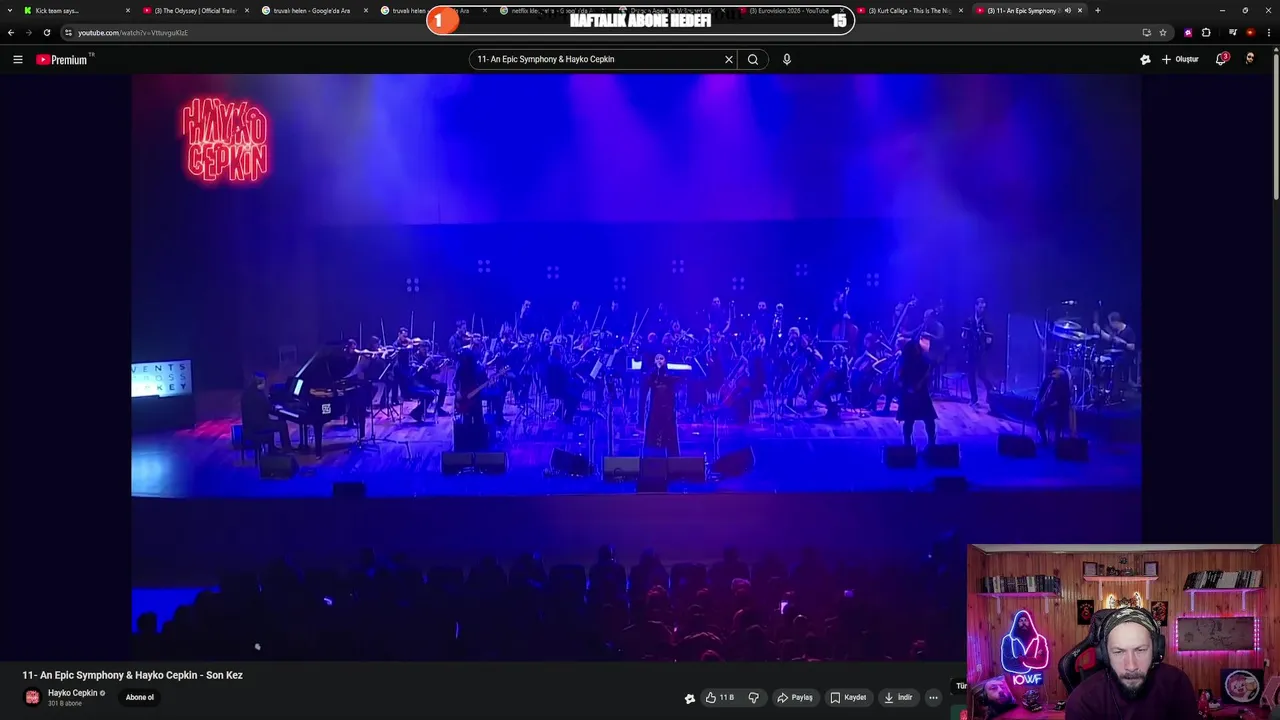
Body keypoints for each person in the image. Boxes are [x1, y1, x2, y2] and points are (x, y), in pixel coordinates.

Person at [1065, 607, 1198, 720]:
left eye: (1141, 650)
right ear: (1104, 655)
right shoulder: (1082, 702)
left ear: (1156, 650)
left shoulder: (1177, 684)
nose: (1131, 666)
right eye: (1118, 652)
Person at [895, 337, 937, 446]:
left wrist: (921, 383)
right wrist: (907, 387)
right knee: (909, 420)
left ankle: (931, 443)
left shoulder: (922, 360)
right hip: (909, 394)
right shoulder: (904, 360)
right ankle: (907, 444)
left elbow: (928, 372)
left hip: (921, 393)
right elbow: (898, 378)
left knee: (928, 419)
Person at [639, 352, 681, 456]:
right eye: (657, 358)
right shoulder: (651, 375)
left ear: (665, 361)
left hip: (668, 411)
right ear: (654, 361)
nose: (659, 360)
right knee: (652, 437)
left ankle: (672, 460)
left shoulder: (670, 375)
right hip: (654, 410)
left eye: (661, 358)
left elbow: (675, 382)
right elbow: (648, 381)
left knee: (669, 437)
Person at [241, 372, 293, 452]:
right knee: (282, 424)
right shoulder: (259, 395)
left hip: (248, 426)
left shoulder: (246, 393)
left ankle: (272, 449)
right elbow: (268, 408)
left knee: (270, 421)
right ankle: (287, 449)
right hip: (258, 426)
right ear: (261, 383)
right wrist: (276, 407)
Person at [960, 297, 996, 407]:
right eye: (980, 307)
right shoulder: (969, 320)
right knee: (971, 375)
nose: (982, 310)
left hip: (981, 351)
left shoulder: (986, 321)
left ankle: (992, 392)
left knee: (982, 374)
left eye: (983, 308)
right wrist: (964, 337)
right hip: (971, 350)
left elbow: (990, 337)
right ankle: (974, 398)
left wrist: (986, 346)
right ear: (975, 306)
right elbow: (964, 334)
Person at [1034, 359, 1073, 444]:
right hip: (1048, 404)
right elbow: (1042, 390)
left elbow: (1065, 396)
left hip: (1060, 405)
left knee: (1058, 417)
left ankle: (1057, 439)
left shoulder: (1063, 379)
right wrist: (1039, 401)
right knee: (1037, 415)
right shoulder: (1049, 377)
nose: (1052, 375)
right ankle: (1044, 439)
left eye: (1054, 373)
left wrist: (1055, 403)